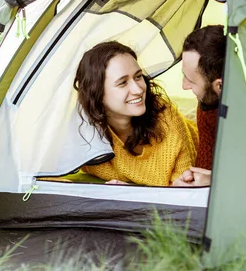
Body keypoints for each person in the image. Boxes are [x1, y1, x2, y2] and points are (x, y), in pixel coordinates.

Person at [74, 41, 198, 187]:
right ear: (97, 93)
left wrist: (132, 193)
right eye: (123, 83)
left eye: (138, 76)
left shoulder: (167, 119)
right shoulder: (83, 133)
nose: (138, 90)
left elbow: (185, 191)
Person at [172, 25, 226, 187]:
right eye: (184, 75)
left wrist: (217, 181)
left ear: (220, 86)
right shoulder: (209, 105)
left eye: (190, 80)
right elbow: (204, 168)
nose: (184, 86)